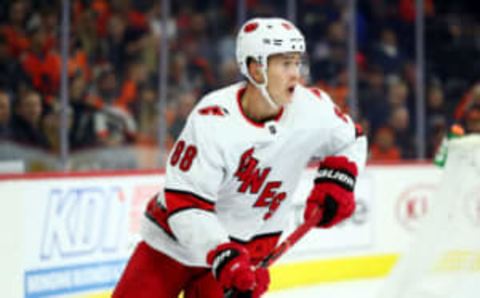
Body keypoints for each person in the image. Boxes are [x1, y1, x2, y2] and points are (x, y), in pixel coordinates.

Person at [113, 17, 367, 298]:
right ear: (256, 69)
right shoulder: (213, 119)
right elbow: (185, 203)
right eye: (285, 64)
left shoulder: (312, 109)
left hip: (244, 255)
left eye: (297, 62)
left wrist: (338, 181)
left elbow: (351, 140)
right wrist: (224, 257)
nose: (296, 74)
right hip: (172, 246)